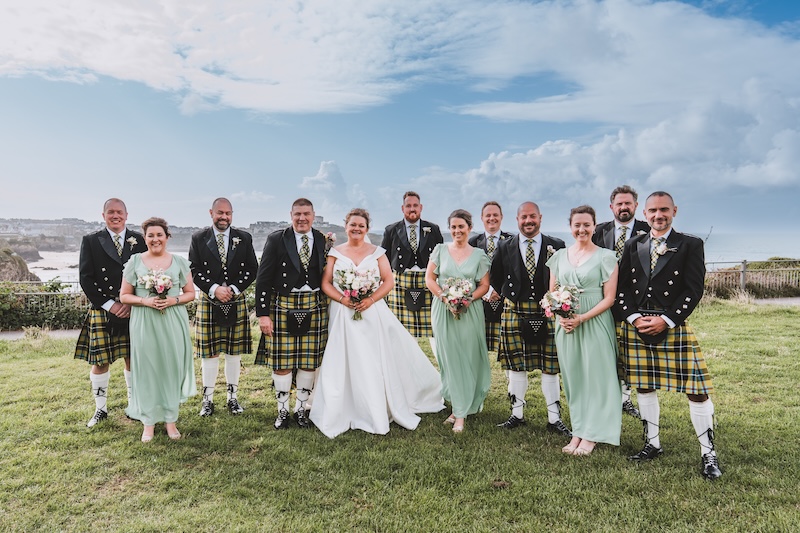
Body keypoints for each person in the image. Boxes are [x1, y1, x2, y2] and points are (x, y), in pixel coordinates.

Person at [616, 191, 722, 480]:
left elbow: (693, 289)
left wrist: (666, 320)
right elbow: (622, 287)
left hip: (671, 324)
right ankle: (652, 444)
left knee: (697, 390)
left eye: (664, 209)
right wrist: (635, 318)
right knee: (644, 387)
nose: (658, 215)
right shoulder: (633, 243)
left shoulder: (690, 244)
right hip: (638, 324)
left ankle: (707, 452)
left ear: (674, 210)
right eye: (652, 210)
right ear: (645, 213)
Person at [311, 209, 444, 438]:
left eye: (361, 225)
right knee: (343, 356)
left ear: (367, 228)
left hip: (372, 313)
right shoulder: (335, 252)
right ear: (346, 226)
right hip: (343, 313)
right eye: (353, 225)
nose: (357, 229)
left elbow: (388, 280)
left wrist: (370, 299)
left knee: (372, 358)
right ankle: (344, 406)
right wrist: (344, 299)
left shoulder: (378, 252)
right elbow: (326, 283)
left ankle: (377, 405)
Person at [489, 202, 570, 435]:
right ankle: (517, 414)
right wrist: (509, 295)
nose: (528, 221)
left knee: (550, 367)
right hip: (516, 309)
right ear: (517, 220)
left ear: (540, 218)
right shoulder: (505, 246)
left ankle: (554, 419)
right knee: (516, 365)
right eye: (524, 217)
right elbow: (495, 275)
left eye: (532, 216)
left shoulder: (557, 245)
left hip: (547, 310)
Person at [547, 205, 622, 456]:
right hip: (566, 326)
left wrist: (581, 318)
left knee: (597, 377)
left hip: (594, 321)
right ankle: (578, 430)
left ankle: (593, 434)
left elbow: (609, 298)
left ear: (594, 226)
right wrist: (562, 318)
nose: (582, 229)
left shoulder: (606, 256)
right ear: (570, 227)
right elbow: (553, 294)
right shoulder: (558, 257)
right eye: (577, 225)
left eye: (586, 224)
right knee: (575, 379)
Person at [119, 217, 197, 442]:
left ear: (167, 237)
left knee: (170, 368)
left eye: (159, 235)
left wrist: (173, 301)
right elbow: (124, 295)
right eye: (150, 235)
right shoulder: (134, 262)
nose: (155, 239)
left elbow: (190, 293)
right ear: (145, 238)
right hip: (144, 320)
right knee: (148, 369)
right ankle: (149, 423)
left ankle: (171, 420)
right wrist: (146, 302)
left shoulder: (180, 262)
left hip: (172, 319)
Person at [255, 198, 329, 430]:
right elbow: (263, 278)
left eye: (306, 214)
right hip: (283, 303)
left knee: (309, 362)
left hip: (313, 304)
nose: (302, 218)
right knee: (282, 362)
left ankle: (301, 410)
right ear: (291, 214)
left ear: (313, 215)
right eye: (297, 214)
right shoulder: (277, 239)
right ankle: (283, 411)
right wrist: (263, 314)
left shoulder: (320, 239)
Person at [74, 198, 147, 428]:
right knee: (101, 361)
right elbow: (85, 278)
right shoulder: (91, 240)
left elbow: (146, 273)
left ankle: (134, 405)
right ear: (103, 215)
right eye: (111, 212)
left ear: (126, 214)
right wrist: (110, 304)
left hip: (133, 308)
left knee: (132, 358)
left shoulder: (139, 239)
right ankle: (100, 409)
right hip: (103, 309)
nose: (116, 216)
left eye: (119, 212)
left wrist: (132, 302)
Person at [189, 198, 258, 417]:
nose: (224, 217)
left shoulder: (243, 238)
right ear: (211, 213)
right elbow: (194, 269)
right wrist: (214, 288)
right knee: (209, 354)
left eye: (228, 213)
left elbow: (252, 269)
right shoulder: (199, 238)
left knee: (233, 352)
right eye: (220, 212)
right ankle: (207, 400)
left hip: (235, 299)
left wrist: (235, 288)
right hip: (210, 300)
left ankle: (232, 397)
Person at [425, 209, 491, 433]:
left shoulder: (479, 255)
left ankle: (460, 411)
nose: (457, 231)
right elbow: (429, 278)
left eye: (461, 226)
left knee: (468, 357)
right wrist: (445, 298)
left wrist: (467, 299)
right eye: (453, 227)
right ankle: (458, 408)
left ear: (469, 228)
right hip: (443, 310)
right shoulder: (440, 250)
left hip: (470, 311)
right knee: (449, 358)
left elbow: (484, 285)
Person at [592, 185, 651, 419]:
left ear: (636, 206)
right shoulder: (598, 231)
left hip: (635, 302)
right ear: (611, 207)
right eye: (619, 204)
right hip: (601, 300)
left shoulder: (648, 231)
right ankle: (606, 398)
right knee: (606, 353)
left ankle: (625, 400)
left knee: (627, 353)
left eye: (628, 203)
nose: (624, 207)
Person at [380, 191, 443, 351]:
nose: (412, 209)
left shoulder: (433, 229)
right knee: (404, 333)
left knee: (435, 330)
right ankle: (407, 373)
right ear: (403, 208)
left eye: (415, 205)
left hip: (427, 281)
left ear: (421, 207)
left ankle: (443, 372)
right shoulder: (391, 229)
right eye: (408, 206)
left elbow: (442, 257)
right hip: (400, 283)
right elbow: (384, 258)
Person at [468, 201, 513, 353]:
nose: (491, 218)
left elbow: (515, 271)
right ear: (482, 218)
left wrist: (497, 289)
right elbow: (469, 271)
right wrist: (485, 290)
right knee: (477, 348)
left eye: (495, 215)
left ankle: (510, 377)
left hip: (505, 298)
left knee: (508, 348)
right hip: (480, 300)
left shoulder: (512, 241)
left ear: (501, 217)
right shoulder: (472, 242)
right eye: (488, 215)